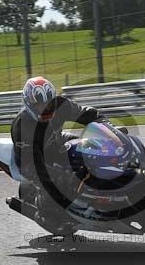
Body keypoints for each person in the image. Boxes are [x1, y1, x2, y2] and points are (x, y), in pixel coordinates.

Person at [11, 76, 105, 233]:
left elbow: (85, 113)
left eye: (48, 103)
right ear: (29, 104)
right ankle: (47, 213)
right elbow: (34, 164)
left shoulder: (61, 105)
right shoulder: (22, 125)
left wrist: (105, 124)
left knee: (91, 148)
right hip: (30, 160)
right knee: (59, 178)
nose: (45, 108)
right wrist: (63, 176)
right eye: (40, 105)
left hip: (55, 142)